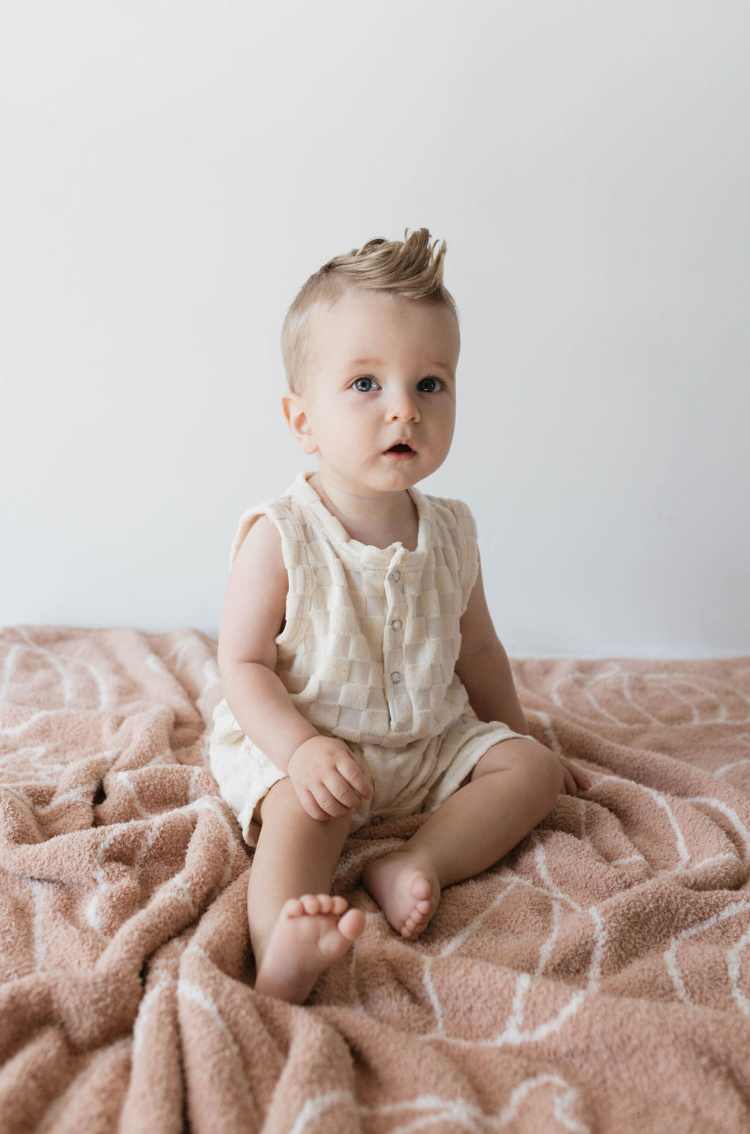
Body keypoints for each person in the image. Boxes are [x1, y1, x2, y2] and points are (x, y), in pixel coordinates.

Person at [209, 228, 590, 1005]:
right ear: (302, 418)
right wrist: (302, 750)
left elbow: (476, 647)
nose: (402, 412)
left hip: (427, 737)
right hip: (313, 738)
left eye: (429, 385)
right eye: (364, 385)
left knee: (532, 771)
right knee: (299, 818)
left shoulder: (452, 531)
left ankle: (417, 861)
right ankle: (282, 947)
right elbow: (241, 665)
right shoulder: (283, 536)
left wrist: (513, 731)